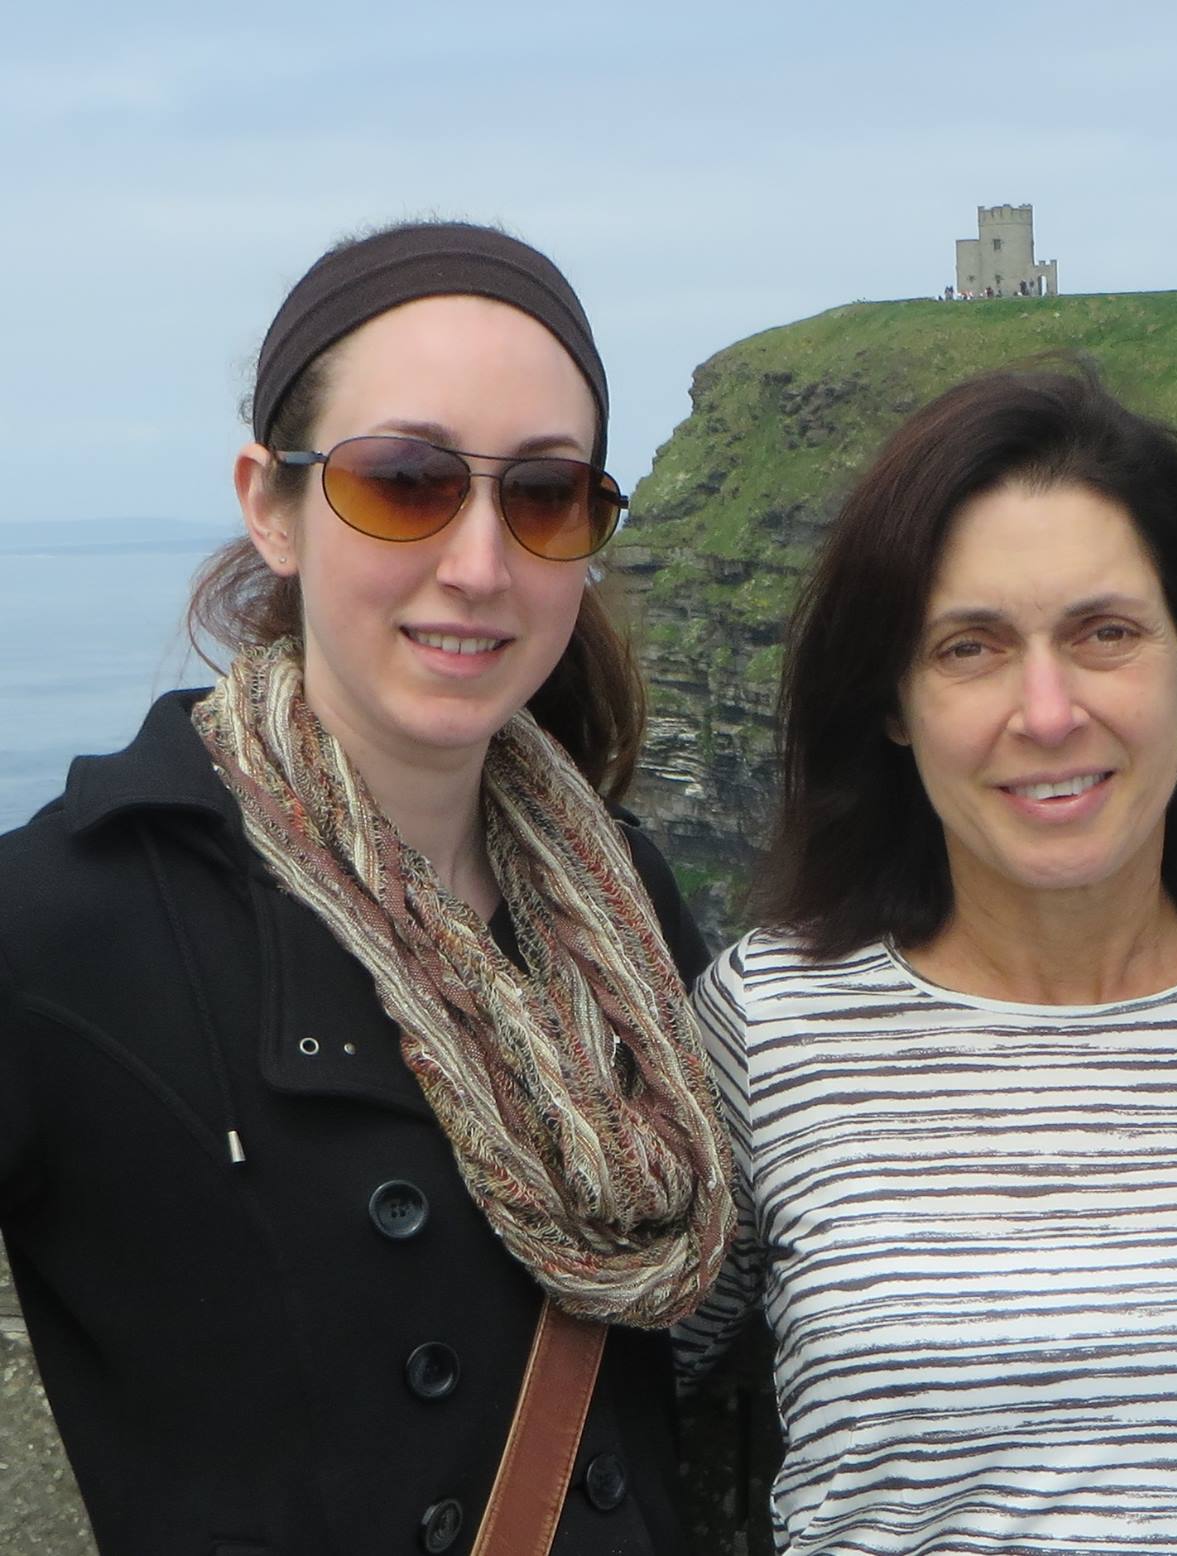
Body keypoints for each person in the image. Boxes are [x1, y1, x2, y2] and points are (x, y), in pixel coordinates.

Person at [0, 222, 736, 1555]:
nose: (478, 564)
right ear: (270, 504)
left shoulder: (618, 900)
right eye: (406, 482)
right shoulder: (76, 924)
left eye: (547, 495)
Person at [672, 365, 1177, 1554]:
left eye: (1104, 634)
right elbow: (623, 1364)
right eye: (968, 648)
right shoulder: (771, 1017)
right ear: (890, 701)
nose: (1045, 711)